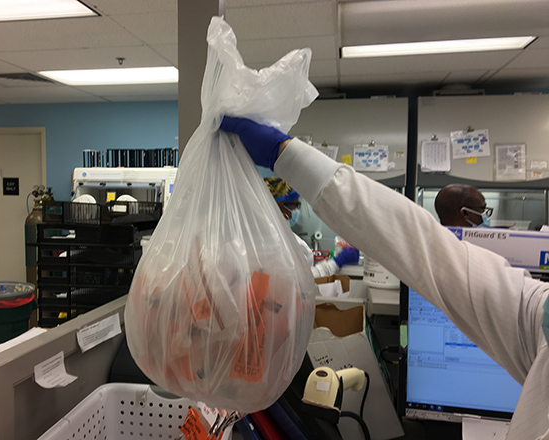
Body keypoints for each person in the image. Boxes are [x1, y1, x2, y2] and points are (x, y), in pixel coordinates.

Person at [220, 116, 549, 440]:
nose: (290, 216)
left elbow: (421, 248)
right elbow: (422, 246)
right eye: (287, 208)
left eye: (293, 209)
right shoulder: (535, 317)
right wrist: (288, 156)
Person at [264, 176, 359, 278]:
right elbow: (300, 281)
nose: (297, 211)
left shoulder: (269, 235)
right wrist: (337, 262)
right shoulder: (276, 242)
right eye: (295, 205)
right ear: (279, 205)